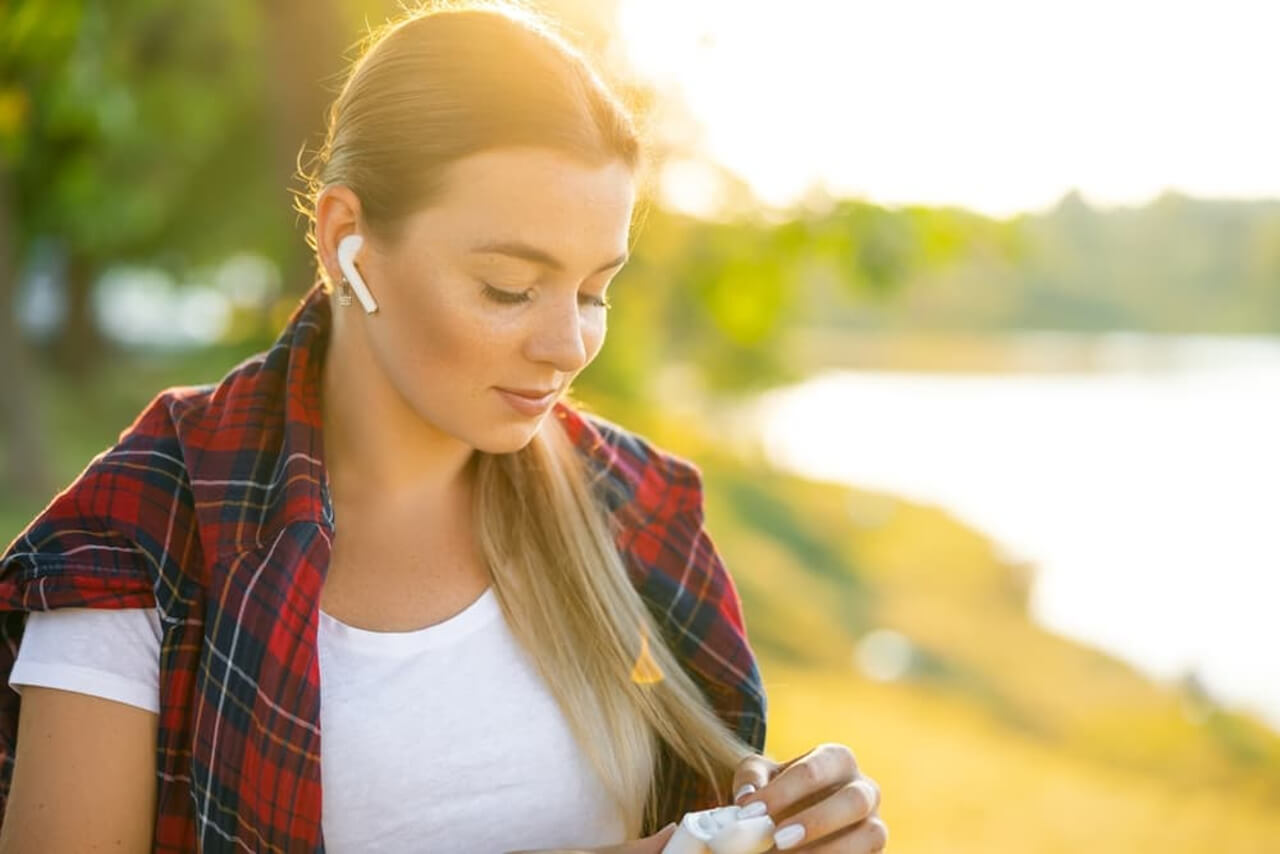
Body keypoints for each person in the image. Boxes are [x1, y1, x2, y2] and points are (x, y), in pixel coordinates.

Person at [0, 2, 887, 852]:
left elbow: (709, 793)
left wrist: (795, 818)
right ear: (346, 237)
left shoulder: (636, 511)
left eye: (594, 291)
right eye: (509, 287)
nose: (568, 345)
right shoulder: (146, 530)